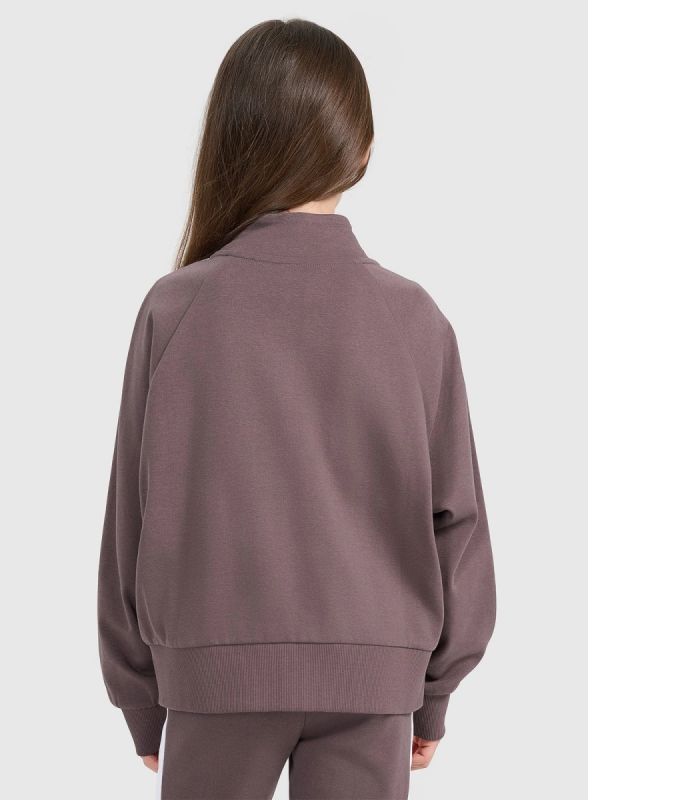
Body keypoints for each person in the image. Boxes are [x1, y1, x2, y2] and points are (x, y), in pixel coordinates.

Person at [98, 17, 496, 800]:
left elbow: (130, 521)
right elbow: (459, 522)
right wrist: (433, 691)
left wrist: (141, 698)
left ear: (228, 140)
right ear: (363, 149)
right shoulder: (414, 319)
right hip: (374, 683)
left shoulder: (174, 310)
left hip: (212, 683)